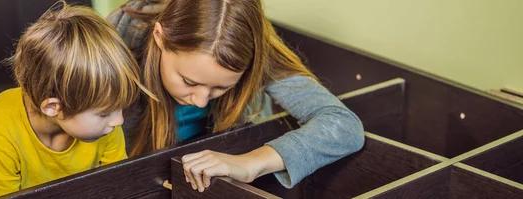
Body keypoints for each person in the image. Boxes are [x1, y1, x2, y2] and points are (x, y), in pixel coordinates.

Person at [108, 0, 365, 192]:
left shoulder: (254, 49)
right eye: (188, 81)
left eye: (221, 88)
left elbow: (343, 125)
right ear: (159, 37)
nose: (200, 101)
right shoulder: (118, 37)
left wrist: (251, 163)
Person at [0, 2, 150, 198]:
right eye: (105, 113)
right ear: (54, 107)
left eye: (120, 108)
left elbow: (116, 184)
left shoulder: (105, 126)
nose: (119, 121)